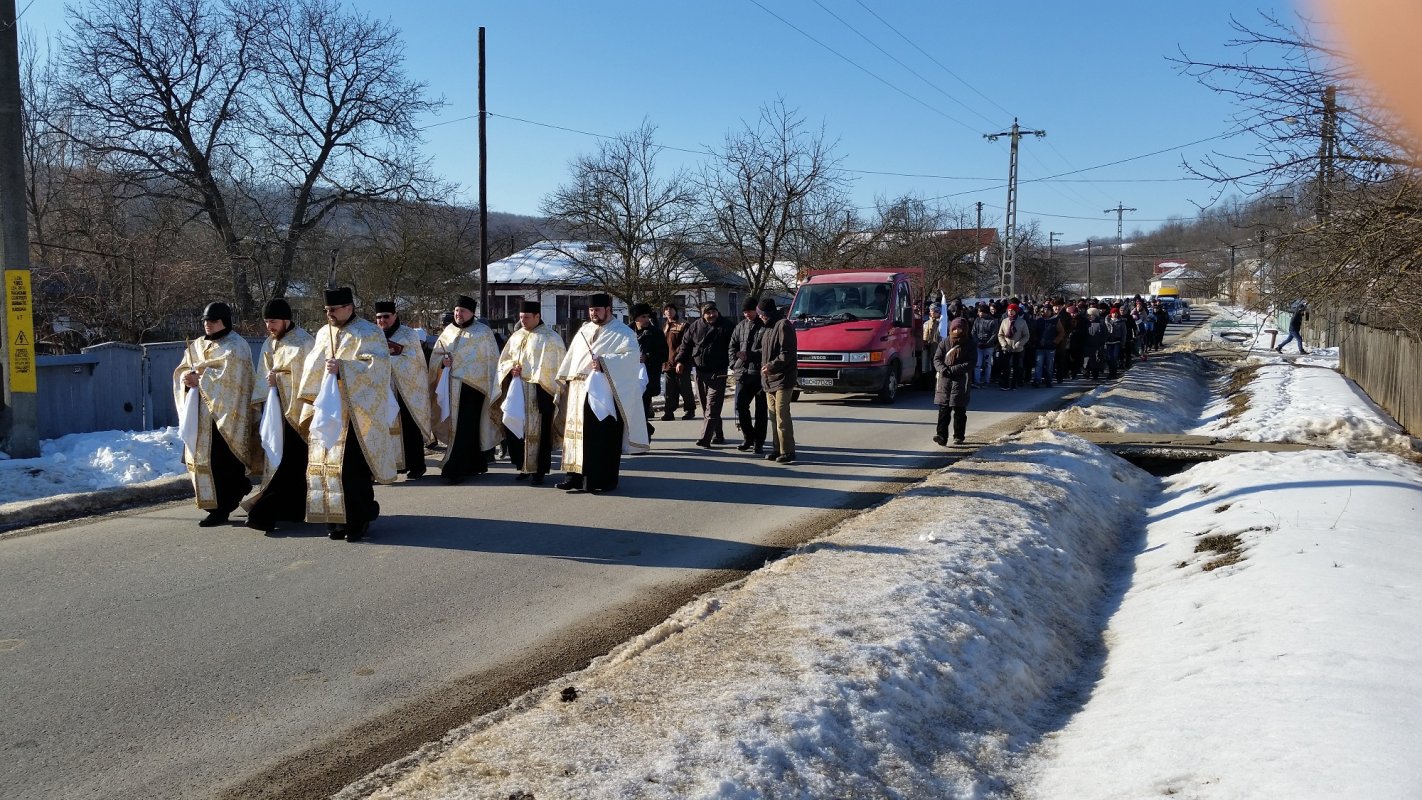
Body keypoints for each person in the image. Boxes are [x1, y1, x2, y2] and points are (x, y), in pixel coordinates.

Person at [297, 287, 397, 541]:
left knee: (352, 470)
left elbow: (378, 369)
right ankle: (335, 521)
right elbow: (312, 367)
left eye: (333, 309)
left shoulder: (369, 332)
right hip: (328, 411)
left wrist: (345, 368)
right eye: (326, 310)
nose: (329, 314)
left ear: (349, 308)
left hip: (356, 413)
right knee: (324, 468)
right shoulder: (323, 333)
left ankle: (358, 519)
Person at [174, 301, 259, 527]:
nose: (207, 325)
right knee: (204, 461)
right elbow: (183, 368)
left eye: (213, 321)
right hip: (200, 415)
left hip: (226, 417)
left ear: (225, 321)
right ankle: (216, 502)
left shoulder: (237, 346)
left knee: (224, 463)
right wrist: (185, 379)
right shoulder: (197, 345)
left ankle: (222, 508)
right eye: (205, 321)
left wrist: (200, 378)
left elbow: (232, 380)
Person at [554, 292, 648, 493]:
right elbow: (572, 359)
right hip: (579, 391)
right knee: (576, 436)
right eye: (590, 310)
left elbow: (631, 360)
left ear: (608, 310)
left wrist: (605, 363)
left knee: (601, 437)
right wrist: (564, 380)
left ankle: (602, 479)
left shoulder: (623, 332)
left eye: (597, 309)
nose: (593, 313)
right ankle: (574, 477)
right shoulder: (583, 331)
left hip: (606, 392)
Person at [243, 298, 314, 533]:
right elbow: (263, 375)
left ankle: (263, 514)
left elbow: (310, 379)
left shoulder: (304, 343)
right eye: (266, 322)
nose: (269, 327)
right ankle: (292, 512)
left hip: (298, 413)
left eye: (272, 321)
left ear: (286, 319)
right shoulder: (269, 343)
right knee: (284, 463)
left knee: (291, 464)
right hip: (275, 413)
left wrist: (280, 381)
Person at [429, 295, 502, 484]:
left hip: (474, 389)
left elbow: (491, 361)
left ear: (471, 313)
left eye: (462, 311)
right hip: (451, 387)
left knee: (467, 428)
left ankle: (456, 468)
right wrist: (442, 363)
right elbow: (436, 357)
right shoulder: (448, 331)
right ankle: (472, 464)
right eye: (456, 310)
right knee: (457, 427)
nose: (458, 314)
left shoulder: (483, 332)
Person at [496, 300, 567, 485]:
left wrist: (543, 384)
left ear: (537, 316)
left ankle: (539, 470)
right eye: (521, 317)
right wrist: (511, 369)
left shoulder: (551, 338)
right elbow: (505, 360)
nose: (523, 321)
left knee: (539, 433)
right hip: (517, 389)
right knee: (516, 427)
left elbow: (556, 367)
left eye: (527, 317)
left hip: (540, 392)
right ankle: (522, 465)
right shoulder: (516, 336)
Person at [374, 301, 433, 480]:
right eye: (378, 317)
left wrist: (386, 361)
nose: (382, 320)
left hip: (406, 390)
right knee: (384, 428)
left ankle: (416, 466)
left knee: (409, 427)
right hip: (383, 388)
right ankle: (393, 466)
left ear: (395, 315)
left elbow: (413, 361)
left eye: (386, 316)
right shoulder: (373, 335)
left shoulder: (409, 334)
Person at [676, 301, 735, 448]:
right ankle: (718, 434)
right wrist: (680, 361)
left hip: (718, 372)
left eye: (713, 312)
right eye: (708, 313)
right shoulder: (695, 326)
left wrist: (734, 364)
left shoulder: (726, 326)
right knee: (706, 406)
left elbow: (733, 347)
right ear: (703, 314)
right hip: (700, 372)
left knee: (713, 405)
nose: (711, 315)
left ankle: (705, 438)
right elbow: (686, 345)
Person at [758, 298, 797, 464]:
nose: (760, 317)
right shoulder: (767, 328)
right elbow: (764, 351)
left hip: (783, 378)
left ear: (768, 313)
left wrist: (772, 366)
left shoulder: (783, 325)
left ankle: (788, 450)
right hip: (769, 379)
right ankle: (777, 448)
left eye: (761, 314)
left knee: (782, 415)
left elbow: (787, 352)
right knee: (773, 416)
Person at [728, 296, 768, 453]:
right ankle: (748, 437)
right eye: (744, 312)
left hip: (760, 374)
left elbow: (767, 349)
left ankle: (759, 441)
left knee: (761, 410)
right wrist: (733, 364)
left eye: (750, 311)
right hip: (743, 373)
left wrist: (750, 355)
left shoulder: (765, 326)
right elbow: (732, 346)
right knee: (741, 406)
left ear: (757, 310)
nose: (747, 314)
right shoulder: (740, 326)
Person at [630, 303, 667, 443]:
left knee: (643, 408)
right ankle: (646, 429)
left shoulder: (656, 333)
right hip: (629, 376)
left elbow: (664, 354)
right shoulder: (627, 332)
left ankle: (643, 439)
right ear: (636, 319)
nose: (646, 319)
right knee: (631, 409)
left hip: (647, 377)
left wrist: (648, 357)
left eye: (647, 316)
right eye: (643, 317)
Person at [933, 325, 973, 445]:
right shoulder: (944, 343)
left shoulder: (970, 344)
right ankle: (941, 435)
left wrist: (954, 369)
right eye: (954, 329)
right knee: (944, 409)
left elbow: (971, 362)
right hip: (944, 379)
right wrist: (943, 369)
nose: (957, 331)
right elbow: (937, 359)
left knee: (959, 409)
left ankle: (959, 436)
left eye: (960, 329)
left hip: (961, 379)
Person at [660, 303, 696, 421]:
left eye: (671, 309)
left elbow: (686, 345)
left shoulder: (683, 325)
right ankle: (669, 412)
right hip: (668, 363)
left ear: (676, 311)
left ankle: (690, 410)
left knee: (685, 387)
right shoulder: (665, 325)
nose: (668, 311)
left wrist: (680, 360)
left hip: (681, 362)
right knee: (669, 390)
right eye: (666, 310)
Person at [996, 303, 1030, 390]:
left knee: (1016, 367)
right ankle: (1006, 384)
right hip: (1006, 347)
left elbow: (1026, 335)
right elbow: (1000, 334)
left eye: (1012, 311)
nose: (1010, 312)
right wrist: (1003, 344)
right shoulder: (1004, 321)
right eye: (1009, 310)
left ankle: (1014, 384)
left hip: (1017, 348)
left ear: (1016, 311)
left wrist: (1019, 344)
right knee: (1006, 367)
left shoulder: (1022, 322)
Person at [1031, 304, 1062, 388]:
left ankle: (1048, 380)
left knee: (1049, 365)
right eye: (1044, 310)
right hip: (1040, 346)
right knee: (1038, 364)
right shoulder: (1039, 320)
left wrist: (1055, 341)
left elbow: (1061, 332)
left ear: (1051, 311)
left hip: (1050, 347)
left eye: (1047, 310)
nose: (1045, 312)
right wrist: (1036, 340)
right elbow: (1034, 332)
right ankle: (1037, 380)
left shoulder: (1055, 320)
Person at [971, 305, 997, 388]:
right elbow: (973, 332)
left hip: (988, 346)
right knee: (977, 364)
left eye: (981, 312)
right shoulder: (977, 320)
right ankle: (977, 381)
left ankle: (987, 381)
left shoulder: (993, 321)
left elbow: (994, 334)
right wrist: (977, 342)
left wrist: (987, 343)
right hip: (978, 345)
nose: (979, 313)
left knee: (987, 364)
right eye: (979, 312)